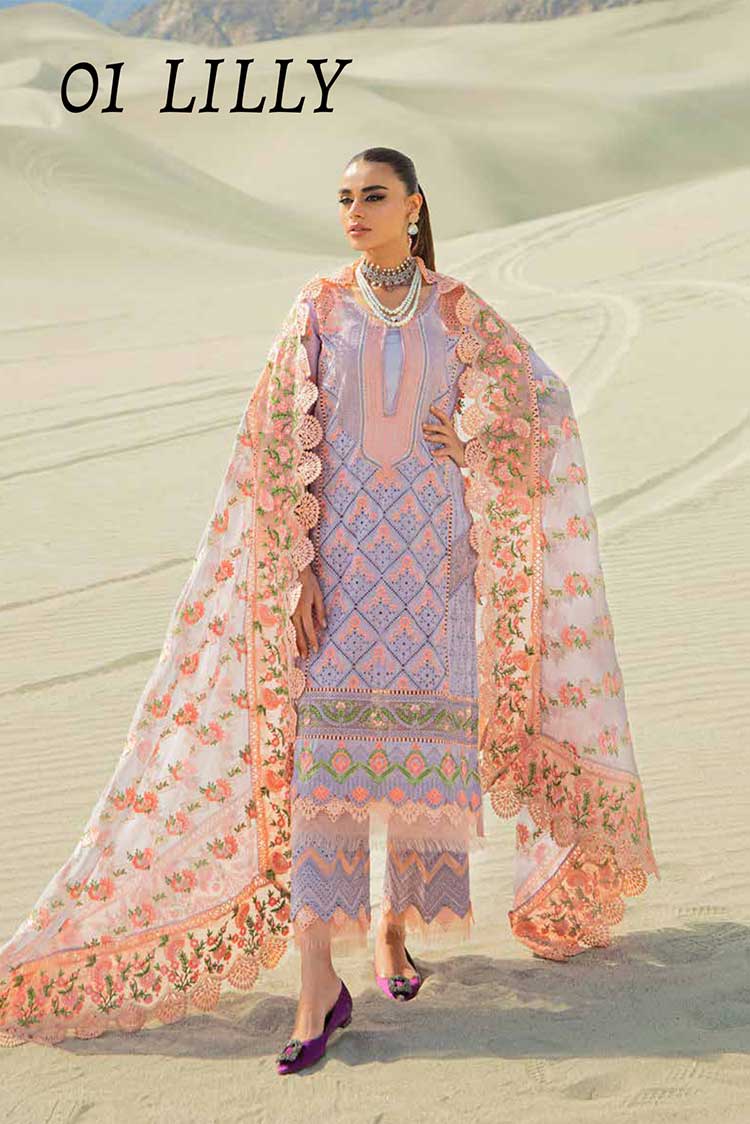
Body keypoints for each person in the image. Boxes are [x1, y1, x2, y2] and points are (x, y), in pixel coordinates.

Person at [0, 147, 659, 1074]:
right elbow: (273, 447)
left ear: (413, 206)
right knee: (325, 772)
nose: (355, 211)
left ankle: (393, 931)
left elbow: (543, 400)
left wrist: (472, 440)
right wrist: (298, 570)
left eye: (373, 196)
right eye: (345, 197)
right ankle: (318, 981)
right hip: (340, 570)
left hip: (432, 564)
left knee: (416, 759)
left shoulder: (459, 309)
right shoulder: (316, 309)